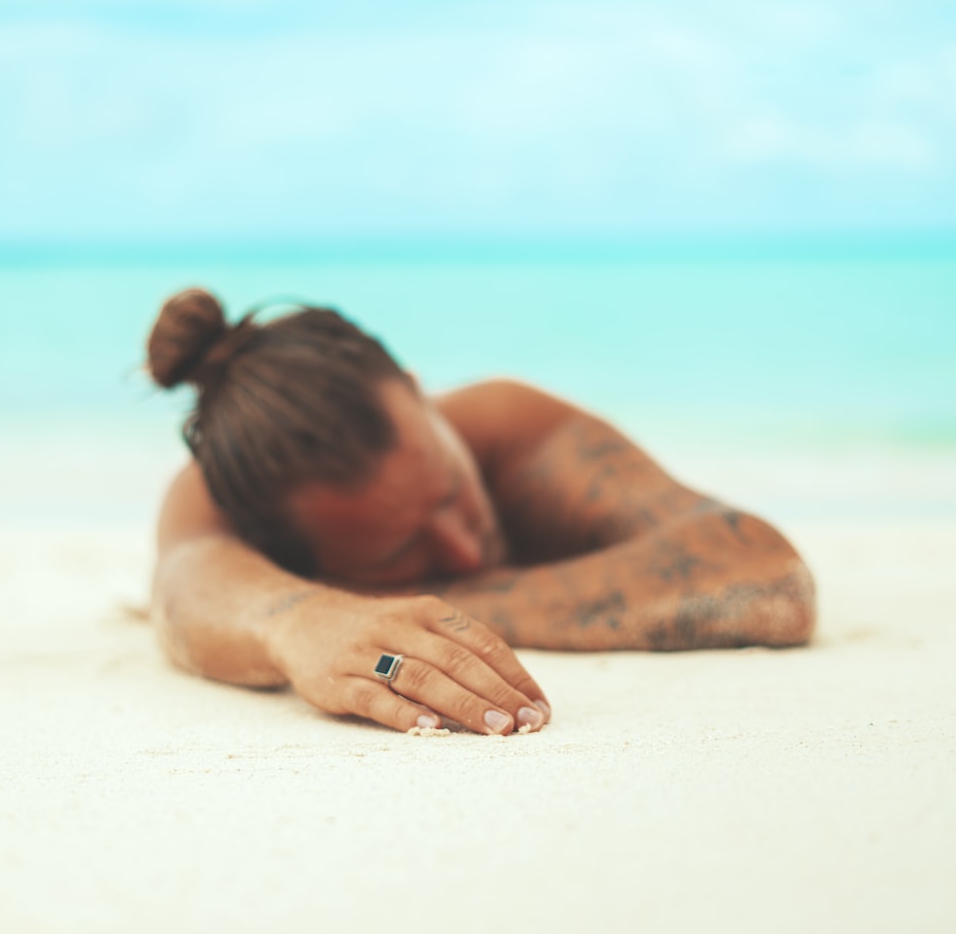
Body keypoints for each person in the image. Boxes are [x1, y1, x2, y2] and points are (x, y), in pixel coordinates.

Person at [147, 288, 816, 737]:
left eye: (448, 491)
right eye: (396, 550)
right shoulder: (219, 493)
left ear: (421, 398)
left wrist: (410, 601)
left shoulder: (507, 425)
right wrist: (300, 622)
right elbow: (185, 583)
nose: (464, 548)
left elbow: (763, 572)